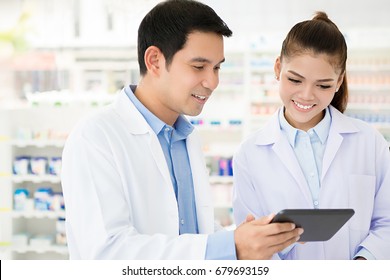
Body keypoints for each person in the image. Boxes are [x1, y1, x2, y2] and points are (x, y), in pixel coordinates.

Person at [61, 0, 302, 260]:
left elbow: (193, 235)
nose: (212, 82)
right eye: (199, 67)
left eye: (217, 67)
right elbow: (107, 252)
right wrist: (229, 247)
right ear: (154, 61)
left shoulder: (185, 137)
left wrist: (253, 240)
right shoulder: (96, 137)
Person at [232, 11, 390, 260]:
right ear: (277, 68)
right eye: (295, 80)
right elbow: (250, 242)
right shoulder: (250, 154)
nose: (306, 95)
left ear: (339, 81)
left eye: (323, 85)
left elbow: (387, 223)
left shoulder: (370, 143)